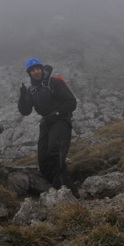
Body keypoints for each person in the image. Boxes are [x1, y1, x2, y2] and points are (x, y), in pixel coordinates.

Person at [18, 57, 80, 198]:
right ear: (29, 73)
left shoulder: (54, 82)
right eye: (32, 70)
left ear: (42, 69)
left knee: (55, 151)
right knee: (43, 159)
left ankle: (67, 191)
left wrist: (57, 113)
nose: (36, 71)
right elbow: (25, 111)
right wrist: (22, 96)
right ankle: (55, 187)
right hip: (47, 122)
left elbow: (71, 102)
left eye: (38, 68)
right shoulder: (31, 90)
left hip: (61, 119)